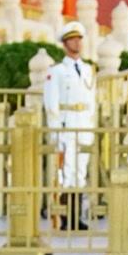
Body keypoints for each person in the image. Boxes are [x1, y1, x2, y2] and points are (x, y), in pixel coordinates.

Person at [42, 21, 97, 230]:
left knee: (80, 171)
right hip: (66, 122)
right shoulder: (56, 71)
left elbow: (91, 101)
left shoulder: (88, 70)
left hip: (83, 122)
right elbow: (51, 104)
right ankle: (65, 217)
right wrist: (56, 131)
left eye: (79, 39)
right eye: (73, 39)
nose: (77, 42)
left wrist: (91, 126)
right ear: (65, 44)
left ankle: (77, 215)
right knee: (66, 171)